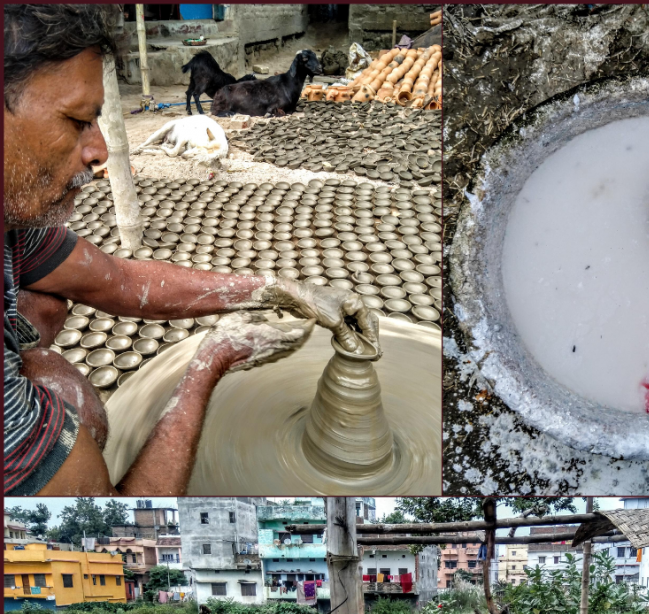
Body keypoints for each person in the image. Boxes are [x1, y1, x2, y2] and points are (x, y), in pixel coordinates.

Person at [4, 5, 378, 496]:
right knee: (70, 398)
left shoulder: (16, 217)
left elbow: (119, 280)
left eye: (96, 121)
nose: (100, 153)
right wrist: (210, 361)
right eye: (77, 121)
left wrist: (282, 288)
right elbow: (117, 502)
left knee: (45, 305)